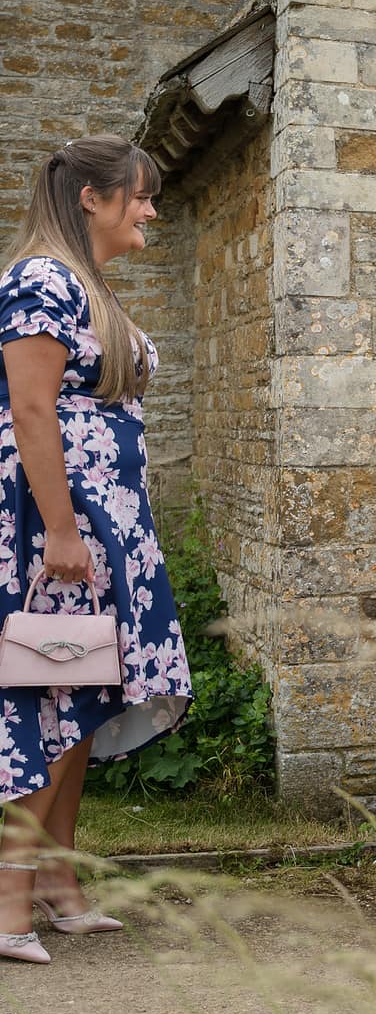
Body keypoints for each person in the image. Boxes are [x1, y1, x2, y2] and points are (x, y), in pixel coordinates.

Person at [0, 136, 194, 966]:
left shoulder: (84, 285)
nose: (150, 210)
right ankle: (8, 905)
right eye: (140, 196)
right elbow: (32, 411)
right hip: (60, 530)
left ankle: (58, 882)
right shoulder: (40, 278)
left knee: (78, 695)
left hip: (107, 527)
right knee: (46, 693)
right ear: (92, 198)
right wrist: (65, 530)